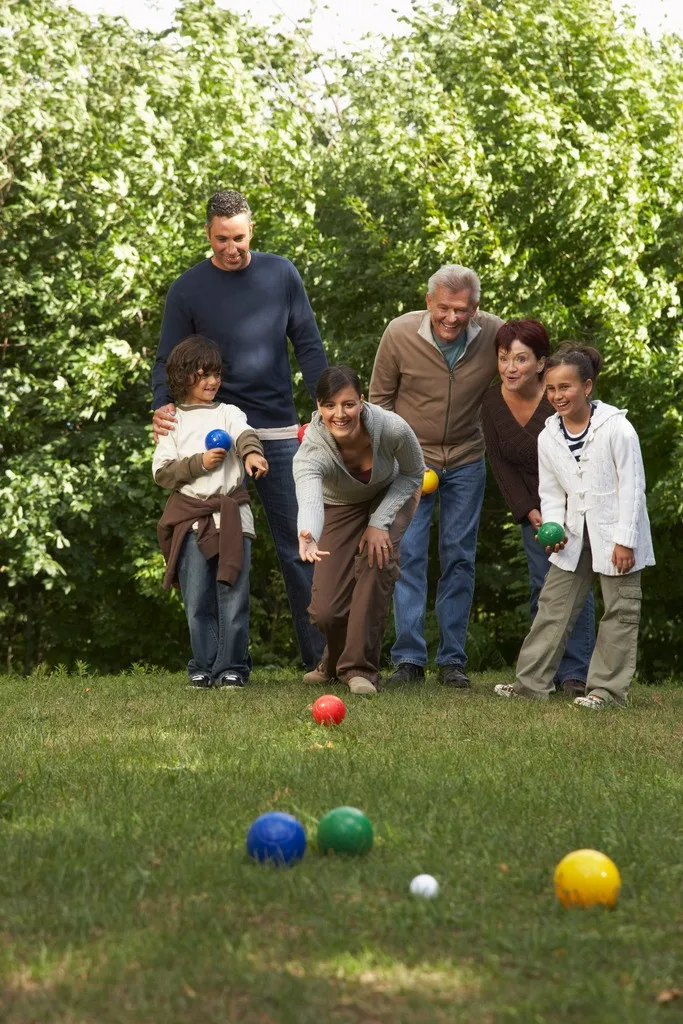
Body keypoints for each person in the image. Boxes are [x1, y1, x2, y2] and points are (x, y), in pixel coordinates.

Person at [151, 189, 328, 670]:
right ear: (208, 234)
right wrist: (162, 408)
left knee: (299, 547)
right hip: (213, 434)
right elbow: (167, 358)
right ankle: (225, 664)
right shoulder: (187, 289)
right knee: (212, 554)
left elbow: (308, 345)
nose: (233, 248)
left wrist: (327, 406)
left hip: (275, 431)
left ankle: (322, 660)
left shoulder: (281, 274)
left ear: (253, 230)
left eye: (241, 237)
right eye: (222, 239)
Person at [494, 343, 655, 708]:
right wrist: (552, 527)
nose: (557, 396)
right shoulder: (548, 435)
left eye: (565, 387)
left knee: (620, 611)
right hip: (572, 535)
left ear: (586, 387)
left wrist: (625, 541)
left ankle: (606, 691)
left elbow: (632, 488)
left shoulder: (618, 429)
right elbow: (549, 492)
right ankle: (530, 684)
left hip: (616, 536)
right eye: (550, 389)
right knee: (553, 605)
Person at [369, 264, 503, 688]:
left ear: (475, 310)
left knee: (459, 557)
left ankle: (452, 662)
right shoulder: (399, 333)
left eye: (461, 310)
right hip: (412, 461)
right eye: (443, 307)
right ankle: (408, 660)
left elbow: (523, 378)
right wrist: (398, 459)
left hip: (466, 458)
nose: (451, 317)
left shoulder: (495, 336)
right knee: (406, 556)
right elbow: (379, 401)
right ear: (428, 303)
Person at [293, 366, 424, 695]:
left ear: (362, 401)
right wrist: (308, 532)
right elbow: (309, 495)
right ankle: (333, 662)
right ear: (319, 407)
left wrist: (379, 521)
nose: (340, 414)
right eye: (330, 405)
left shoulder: (391, 429)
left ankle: (360, 670)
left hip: (389, 495)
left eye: (348, 404)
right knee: (326, 611)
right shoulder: (312, 449)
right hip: (338, 505)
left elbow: (413, 473)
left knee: (374, 565)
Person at [482, 320, 595, 695]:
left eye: (521, 359)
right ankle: (542, 672)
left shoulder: (560, 397)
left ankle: (576, 673)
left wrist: (567, 510)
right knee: (541, 586)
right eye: (503, 358)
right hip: (534, 511)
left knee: (576, 586)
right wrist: (528, 509)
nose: (510, 368)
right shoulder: (492, 402)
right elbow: (500, 462)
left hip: (576, 505)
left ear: (541, 362)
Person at [153, 335, 269, 688]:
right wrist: (199, 464)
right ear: (182, 376)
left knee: (233, 596)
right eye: (202, 374)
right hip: (190, 521)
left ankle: (233, 666)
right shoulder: (171, 420)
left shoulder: (227, 413)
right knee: (197, 597)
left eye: (216, 373)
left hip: (233, 515)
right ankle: (202, 666)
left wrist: (252, 455)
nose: (212, 381)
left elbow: (245, 435)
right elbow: (162, 472)